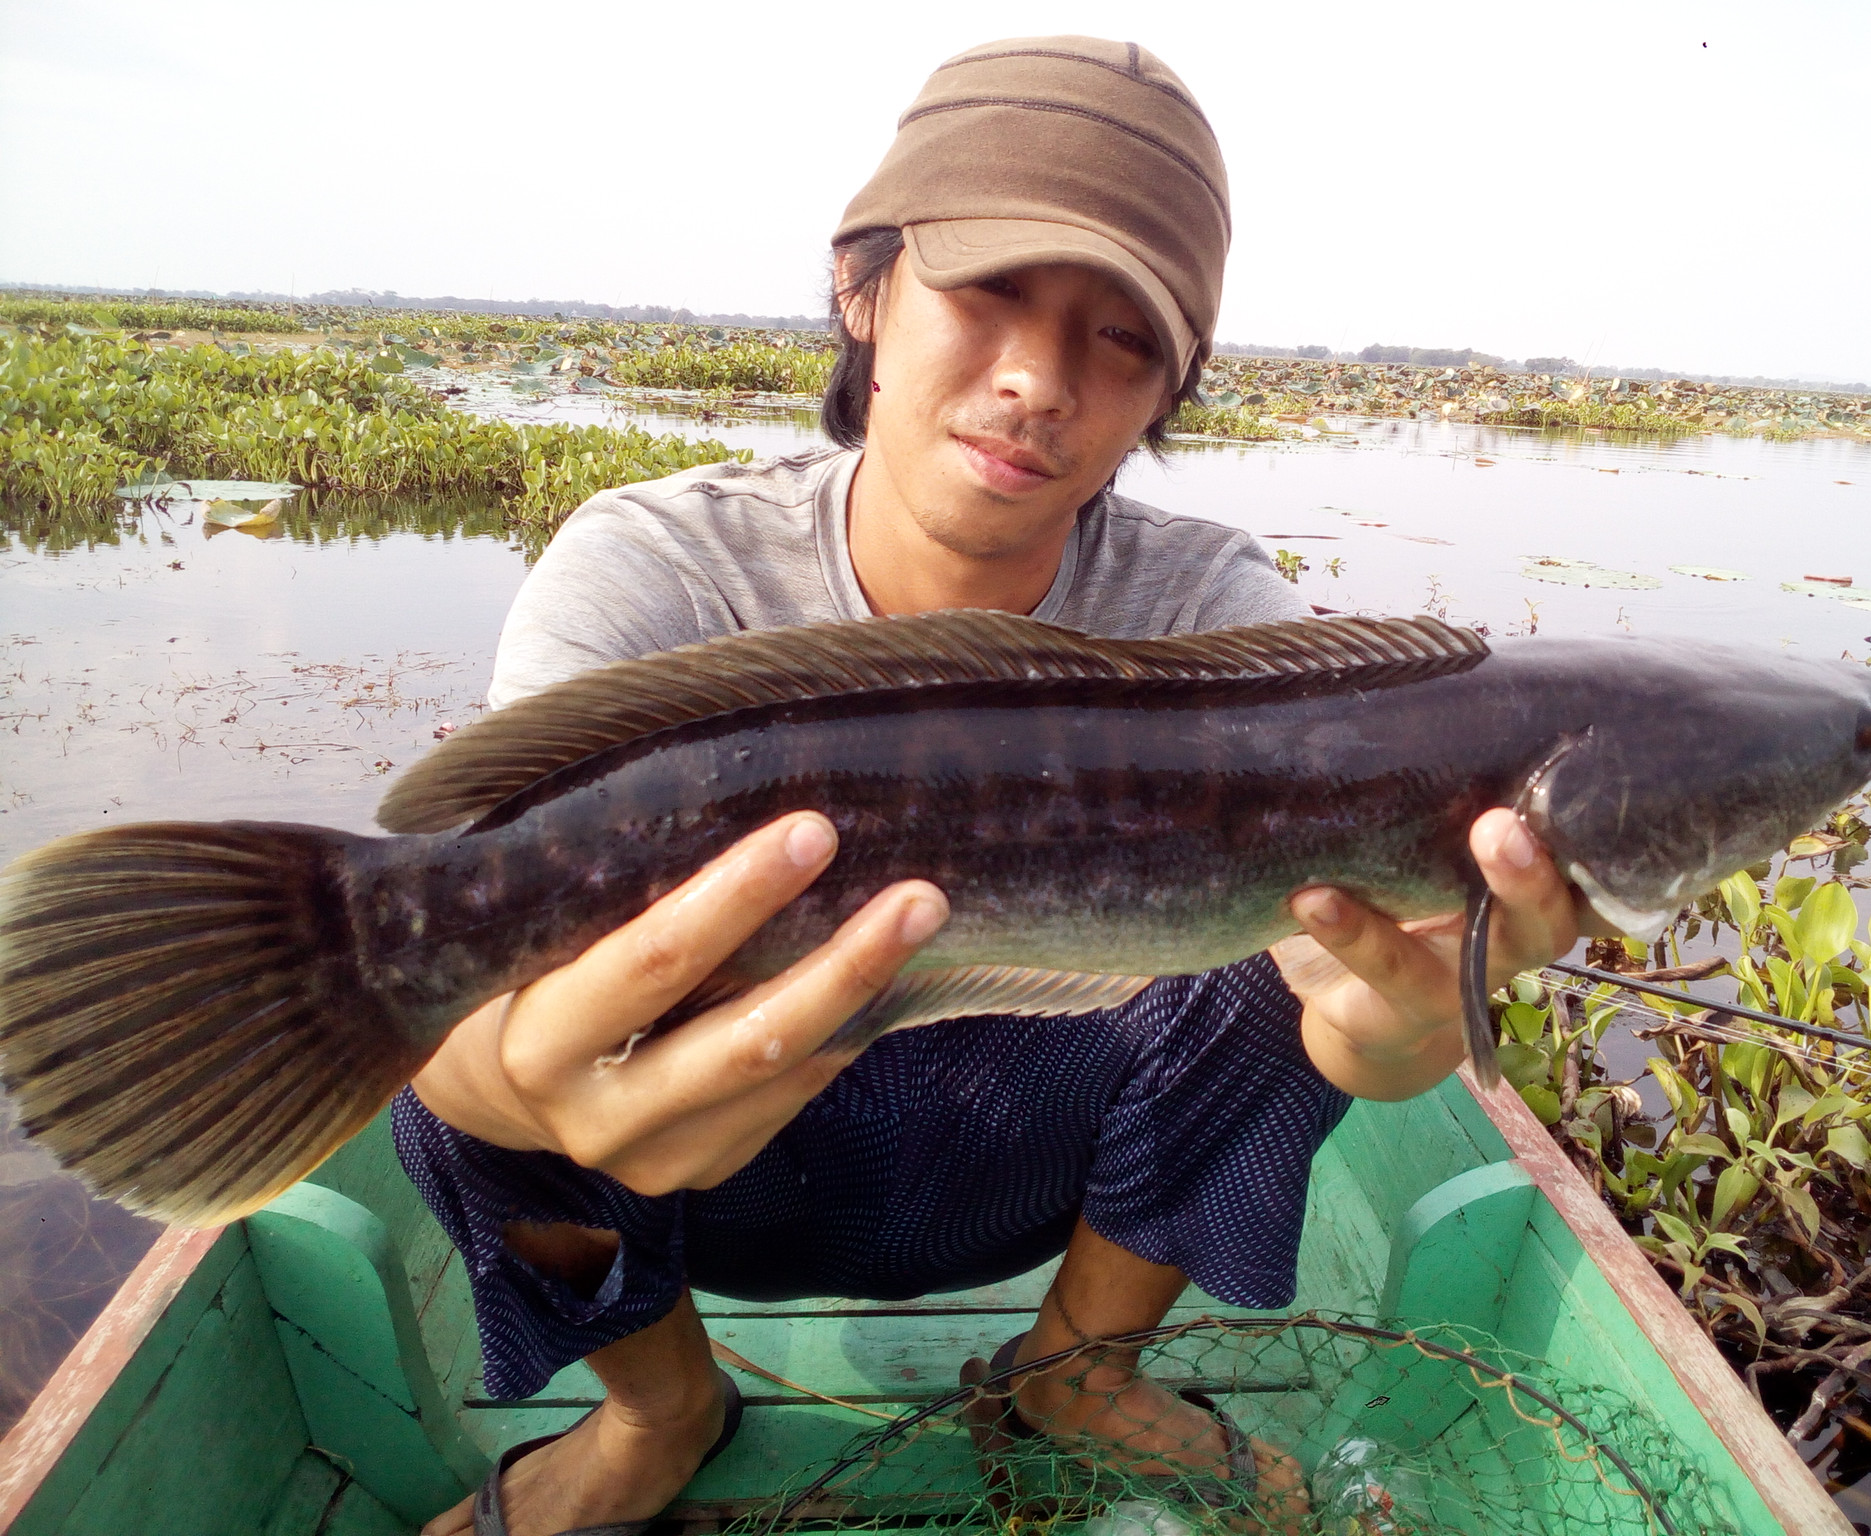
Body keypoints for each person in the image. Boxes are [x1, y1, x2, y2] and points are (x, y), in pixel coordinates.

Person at [407, 37, 1593, 1536]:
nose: (1039, 381)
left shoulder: (1221, 614)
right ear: (864, 290)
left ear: (1170, 386)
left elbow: (1340, 998)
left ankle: (1078, 1366)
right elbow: (467, 980)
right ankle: (657, 1409)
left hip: (1029, 1148)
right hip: (706, 1170)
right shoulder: (652, 571)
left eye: (1120, 339)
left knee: (1291, 926)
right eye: (989, 293)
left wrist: (1398, 1025)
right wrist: (495, 1081)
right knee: (457, 1039)